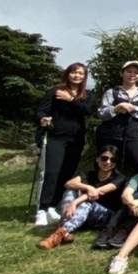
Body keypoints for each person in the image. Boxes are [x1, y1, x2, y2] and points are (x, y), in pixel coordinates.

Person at [34, 62, 92, 227]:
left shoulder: (86, 94)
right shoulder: (55, 91)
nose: (77, 76)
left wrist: (71, 99)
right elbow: (40, 111)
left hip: (76, 139)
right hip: (56, 137)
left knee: (66, 174)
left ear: (84, 77)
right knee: (52, 172)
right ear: (67, 74)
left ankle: (53, 205)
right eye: (74, 72)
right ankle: (42, 209)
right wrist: (42, 119)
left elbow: (87, 111)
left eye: (81, 73)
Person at [37, 146, 126, 250]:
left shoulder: (119, 178)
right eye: (104, 158)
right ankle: (64, 232)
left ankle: (57, 235)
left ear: (116, 163)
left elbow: (97, 193)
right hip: (83, 215)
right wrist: (87, 186)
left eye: (113, 160)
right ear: (97, 159)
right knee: (70, 191)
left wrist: (75, 203)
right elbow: (69, 183)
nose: (108, 162)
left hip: (105, 216)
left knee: (86, 203)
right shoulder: (90, 174)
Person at [96, 60, 138, 173]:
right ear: (122, 73)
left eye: (136, 72)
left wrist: (134, 109)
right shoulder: (112, 92)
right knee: (107, 166)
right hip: (112, 136)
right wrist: (116, 109)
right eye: (129, 71)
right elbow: (101, 113)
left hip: (134, 135)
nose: (132, 75)